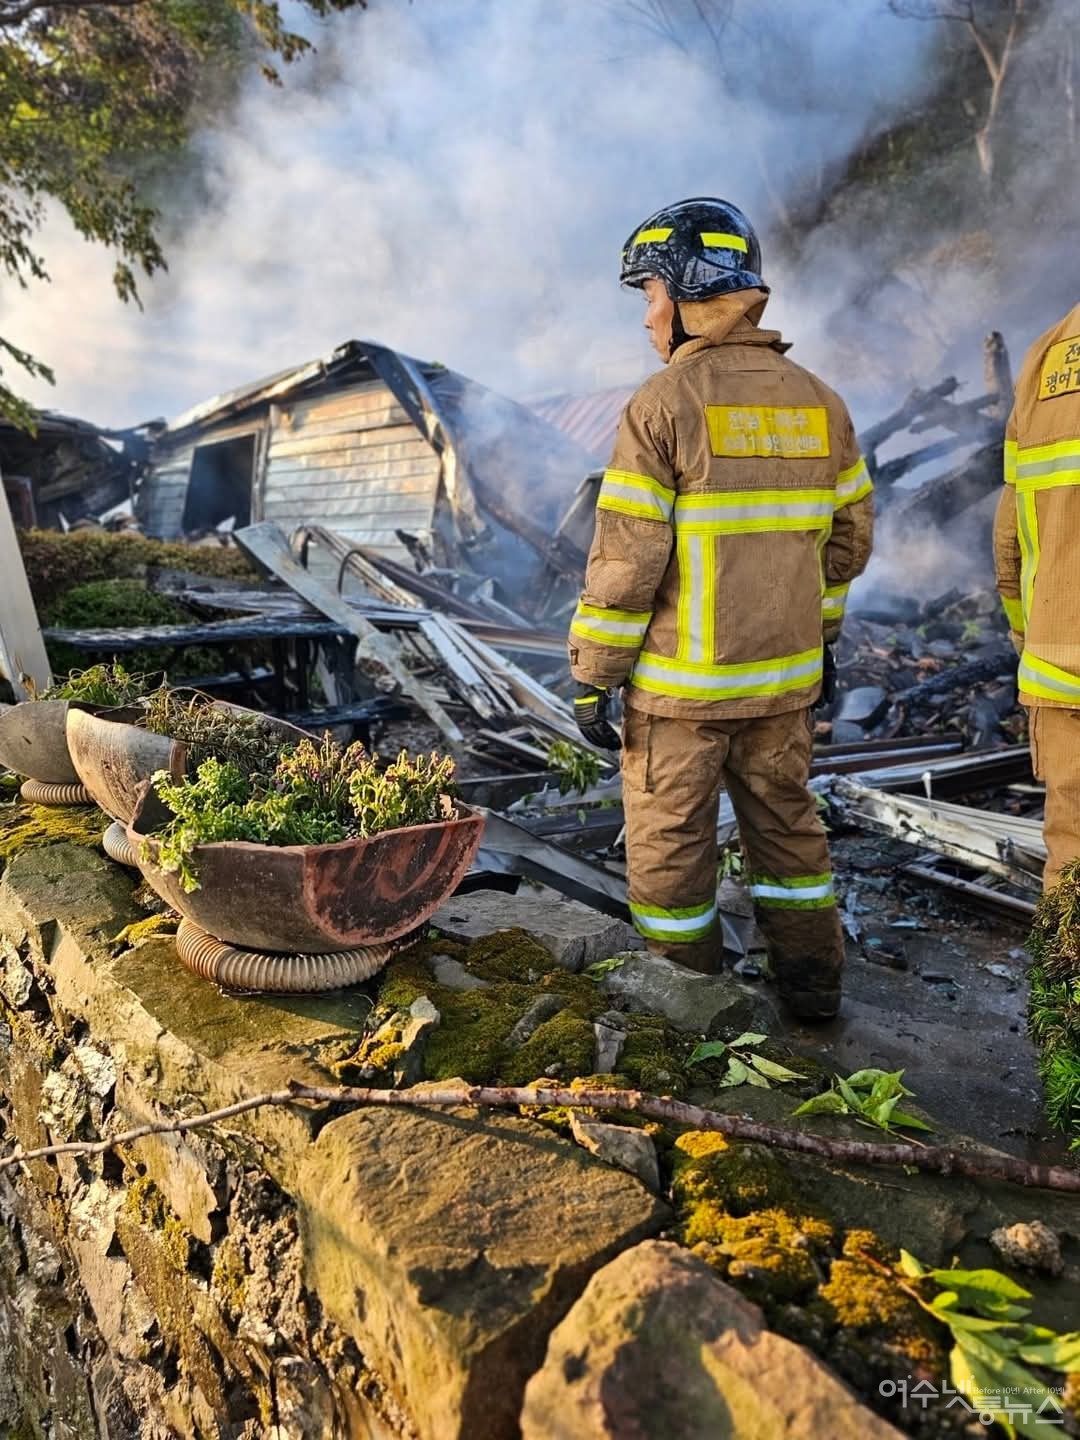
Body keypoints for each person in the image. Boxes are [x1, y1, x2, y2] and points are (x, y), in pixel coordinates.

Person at [568, 197, 873, 1020]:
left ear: (688, 291)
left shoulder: (664, 404)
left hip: (682, 698)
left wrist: (594, 675)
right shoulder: (821, 403)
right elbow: (847, 543)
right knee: (790, 839)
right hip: (783, 688)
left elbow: (627, 562)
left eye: (649, 293)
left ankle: (686, 1011)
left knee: (671, 855)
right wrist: (821, 637)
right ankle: (813, 992)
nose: (646, 317)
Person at [994, 301, 1080, 891]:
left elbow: (1010, 541)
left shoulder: (1048, 354)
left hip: (1060, 671)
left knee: (1070, 868)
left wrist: (1031, 639)